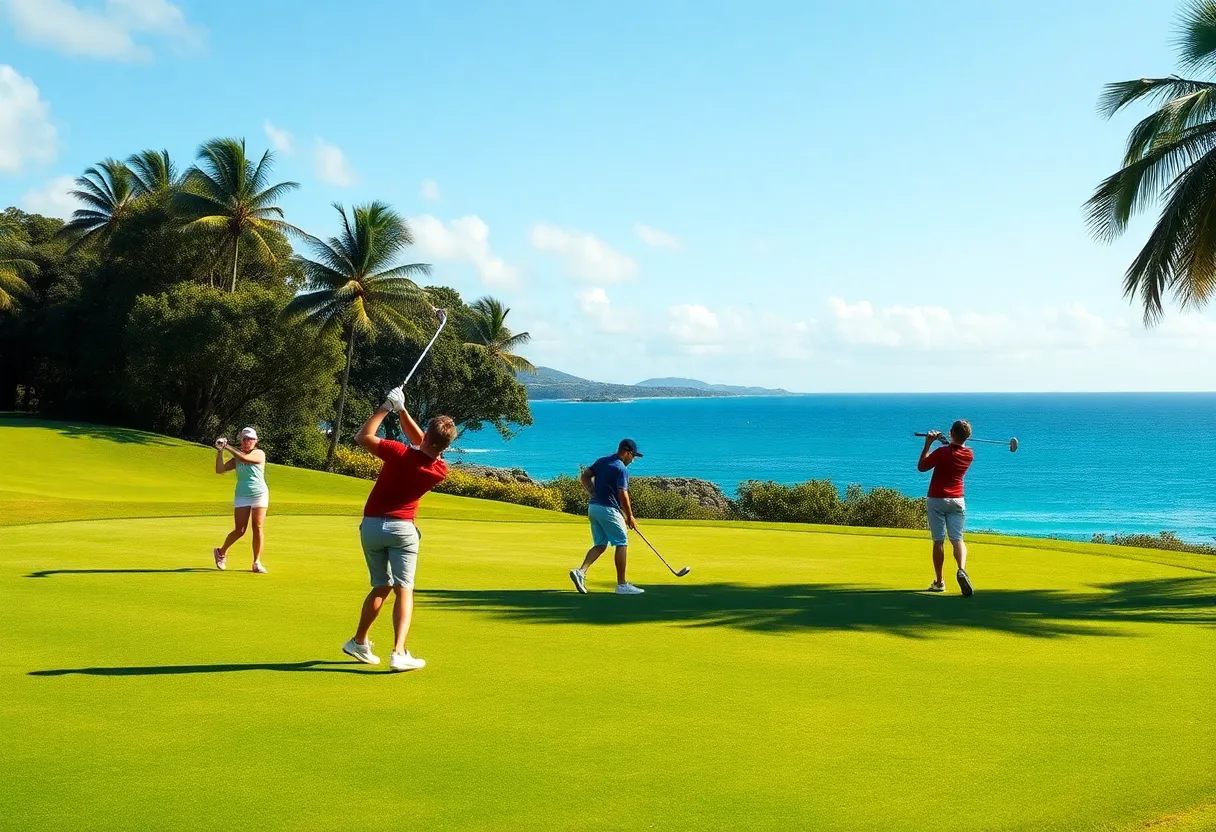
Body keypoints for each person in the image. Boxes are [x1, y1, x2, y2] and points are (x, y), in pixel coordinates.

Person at [341, 386, 456, 672]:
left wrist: (386, 408)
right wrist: (401, 410)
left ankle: (359, 641)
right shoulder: (439, 471)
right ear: (446, 446)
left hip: (370, 527)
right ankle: (399, 651)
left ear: (426, 436)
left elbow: (361, 437)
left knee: (382, 585)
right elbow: (426, 445)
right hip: (402, 530)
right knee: (404, 589)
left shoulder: (397, 452)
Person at [569, 439, 645, 595]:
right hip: (607, 510)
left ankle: (580, 572)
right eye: (633, 456)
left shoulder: (602, 461)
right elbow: (623, 493)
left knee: (600, 544)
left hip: (594, 508)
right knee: (621, 542)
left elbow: (585, 476)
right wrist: (630, 516)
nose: (633, 460)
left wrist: (592, 491)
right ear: (626, 452)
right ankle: (622, 585)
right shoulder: (621, 468)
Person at [917, 420, 975, 596]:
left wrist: (928, 443)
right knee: (957, 539)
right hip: (957, 500)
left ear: (951, 433)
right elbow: (956, 449)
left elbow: (922, 466)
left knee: (938, 541)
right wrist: (946, 442)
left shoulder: (942, 452)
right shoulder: (969, 455)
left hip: (937, 498)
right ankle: (962, 569)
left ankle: (940, 581)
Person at [212, 427, 269, 573]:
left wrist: (227, 447)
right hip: (242, 495)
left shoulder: (259, 453)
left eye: (250, 439)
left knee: (257, 527)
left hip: (259, 494)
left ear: (255, 441)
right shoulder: (236, 457)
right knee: (240, 530)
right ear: (241, 441)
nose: (247, 441)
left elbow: (245, 458)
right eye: (244, 439)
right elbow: (220, 470)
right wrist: (220, 451)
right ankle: (221, 552)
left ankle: (256, 562)